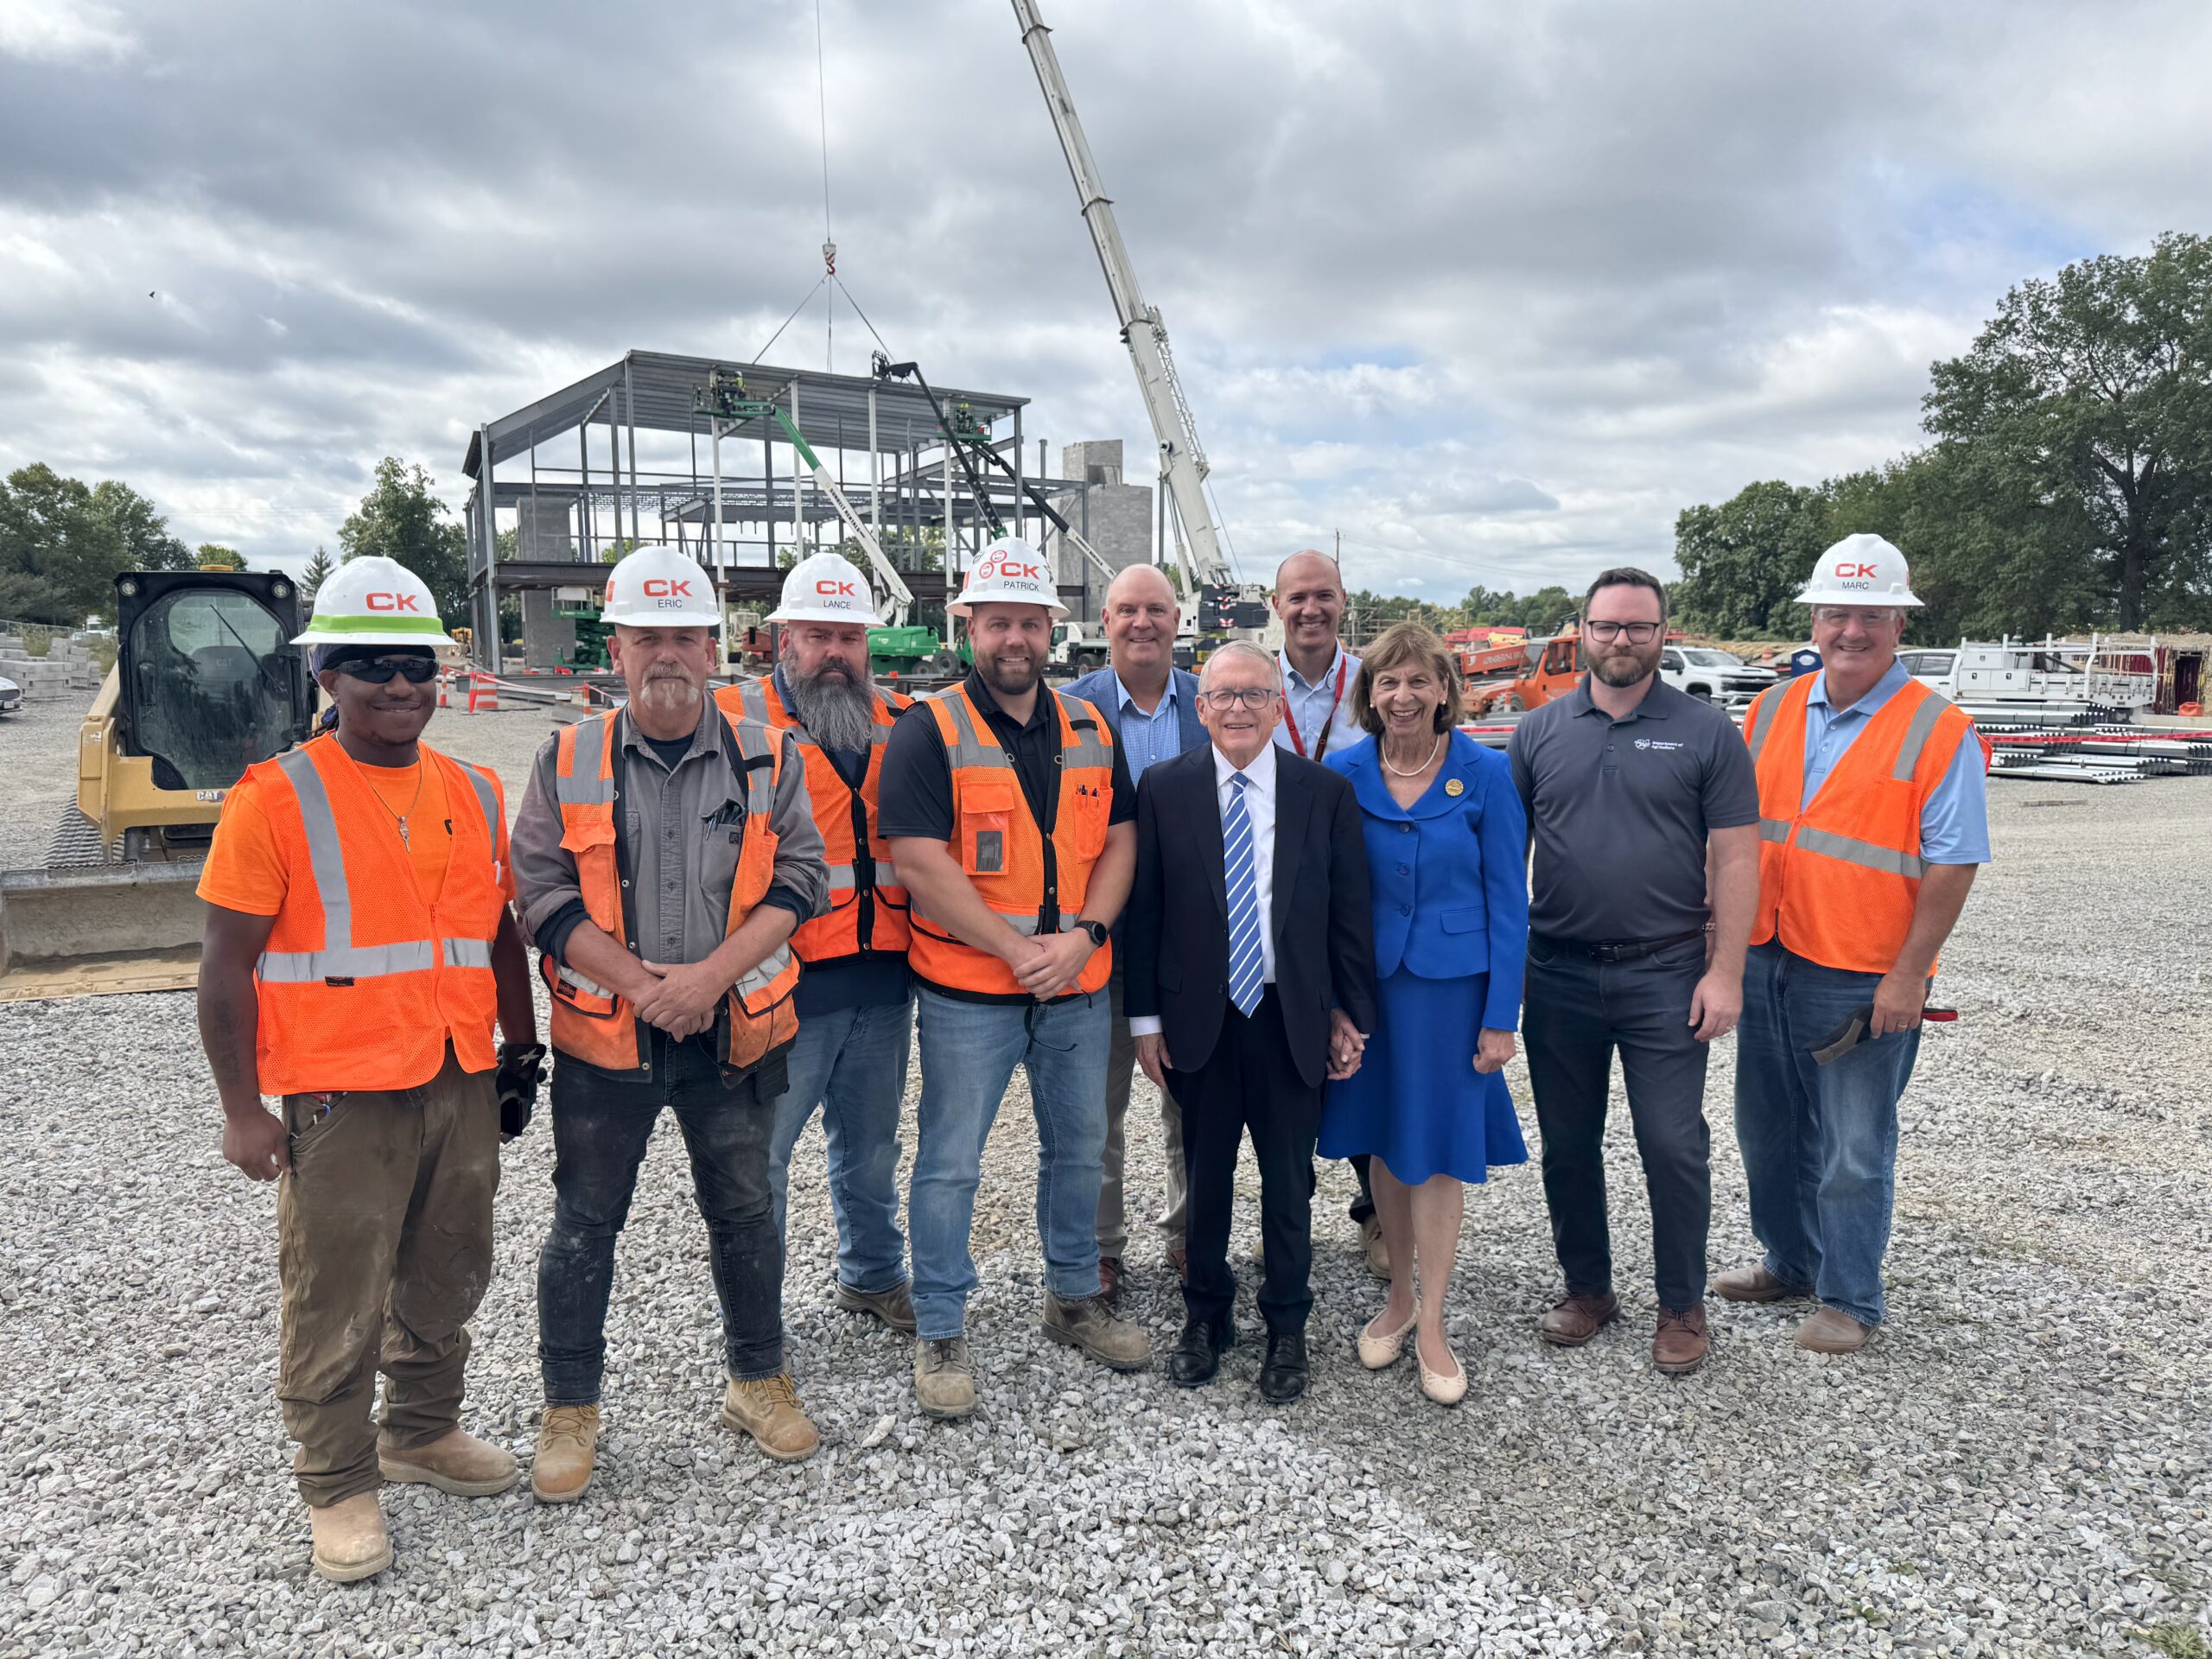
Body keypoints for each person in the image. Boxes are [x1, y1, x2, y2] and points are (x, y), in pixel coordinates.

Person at [194, 556, 539, 1583]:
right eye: (369, 664)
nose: (398, 686)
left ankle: (421, 1429)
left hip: (456, 1076)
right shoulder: (274, 799)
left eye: (416, 665)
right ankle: (339, 1481)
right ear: (326, 678)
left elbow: (499, 935)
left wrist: (520, 1052)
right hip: (340, 1091)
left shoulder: (474, 791)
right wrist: (241, 1110)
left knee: (448, 1266)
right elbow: (225, 967)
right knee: (336, 1288)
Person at [512, 544, 830, 1496]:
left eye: (684, 636)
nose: (667, 655)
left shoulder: (767, 755)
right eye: (646, 635)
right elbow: (538, 892)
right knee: (584, 1224)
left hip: (731, 1034)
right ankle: (570, 1411)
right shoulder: (565, 758)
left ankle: (757, 1379)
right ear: (615, 647)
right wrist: (649, 988)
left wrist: (708, 981)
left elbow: (802, 878)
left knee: (745, 1211)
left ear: (714, 644)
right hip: (607, 1044)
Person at [880, 537, 1150, 1420]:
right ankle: (943, 1331)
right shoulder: (930, 730)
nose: (1014, 640)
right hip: (970, 995)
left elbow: (1120, 841)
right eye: (997, 622)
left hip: (1076, 984)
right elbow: (919, 861)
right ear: (967, 626)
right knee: (951, 1164)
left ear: (1050, 630)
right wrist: (1010, 946)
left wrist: (1085, 936)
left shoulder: (1089, 726)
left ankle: (1072, 1299)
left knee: (1079, 1150)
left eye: (1029, 623)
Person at [1719, 535, 1988, 1354]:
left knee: (1852, 1148)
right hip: (1769, 953)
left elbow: (1954, 861)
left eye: (1872, 615)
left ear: (1899, 624)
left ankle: (1850, 1298)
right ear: (1815, 617)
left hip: (1864, 972)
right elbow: (1737, 834)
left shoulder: (1939, 730)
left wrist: (1909, 974)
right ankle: (1790, 1262)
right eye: (1838, 612)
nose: (1852, 631)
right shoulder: (1770, 708)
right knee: (1766, 1127)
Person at [1510, 569, 1761, 1376]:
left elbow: (1736, 858)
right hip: (1558, 972)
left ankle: (1681, 1304)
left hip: (1666, 973)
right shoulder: (1539, 731)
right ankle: (1588, 1289)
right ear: (1581, 630)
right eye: (1607, 626)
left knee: (1672, 1143)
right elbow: (1502, 859)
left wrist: (1726, 974)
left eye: (1639, 628)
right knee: (1568, 1147)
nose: (1622, 641)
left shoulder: (1706, 732)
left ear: (1663, 633)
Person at [1124, 642, 1377, 1404]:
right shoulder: (1163, 789)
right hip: (1199, 1020)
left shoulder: (1322, 793)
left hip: (1288, 1016)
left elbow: (1348, 915)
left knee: (1287, 1184)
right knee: (1205, 1179)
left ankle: (1287, 1324)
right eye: (1223, 695)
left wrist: (1348, 1013)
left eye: (1254, 695)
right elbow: (1146, 914)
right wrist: (1145, 1020)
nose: (1238, 708)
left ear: (1276, 707)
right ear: (1199, 709)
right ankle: (1206, 1314)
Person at [1320, 621, 1527, 1407]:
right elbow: (1329, 900)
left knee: (1437, 1151)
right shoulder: (1342, 775)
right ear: (1369, 695)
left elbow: (1510, 899)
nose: (1402, 696)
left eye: (1418, 681)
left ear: (1445, 689)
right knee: (1381, 1140)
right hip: (1369, 991)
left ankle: (1434, 1320)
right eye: (1386, 682)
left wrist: (1500, 1015)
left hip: (1451, 993)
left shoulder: (1484, 774)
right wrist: (1333, 1003)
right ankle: (1397, 1298)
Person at [718, 553, 917, 1336]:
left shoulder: (903, 722)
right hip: (777, 983)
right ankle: (754, 1319)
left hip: (882, 980)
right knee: (760, 1162)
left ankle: (872, 1275)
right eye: (817, 635)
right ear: (783, 640)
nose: (835, 652)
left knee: (871, 1151)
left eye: (849, 637)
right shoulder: (735, 721)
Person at [1062, 563, 1206, 1296]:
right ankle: (1101, 1246)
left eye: (1155, 609)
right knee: (1098, 1107)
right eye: (1127, 610)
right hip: (1103, 939)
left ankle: (1190, 1234)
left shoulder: (1211, 703)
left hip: (1192, 942)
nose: (1142, 622)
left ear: (1176, 620)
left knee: (1193, 1101)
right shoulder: (1068, 709)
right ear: (1106, 622)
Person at [1269, 548, 1385, 1278]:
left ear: (1344, 601)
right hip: (1274, 900)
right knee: (1286, 1060)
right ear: (1274, 605)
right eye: (1297, 597)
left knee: (1362, 1052)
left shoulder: (1374, 686)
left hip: (1358, 892)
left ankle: (1375, 1212)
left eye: (1324, 596)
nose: (1311, 609)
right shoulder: (1245, 684)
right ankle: (1289, 1212)